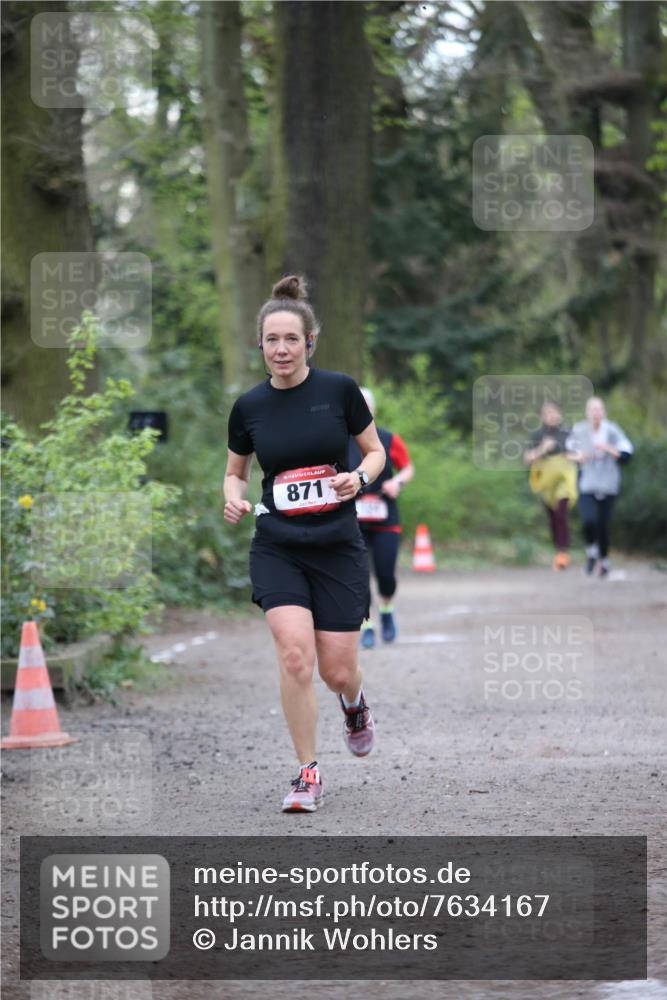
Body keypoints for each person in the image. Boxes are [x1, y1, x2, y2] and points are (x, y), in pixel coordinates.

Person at [223, 275, 386, 812]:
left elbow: (375, 452)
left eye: (291, 339)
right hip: (279, 546)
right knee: (295, 657)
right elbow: (236, 473)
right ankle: (307, 774)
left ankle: (354, 702)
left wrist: (358, 479)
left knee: (336, 670)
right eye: (272, 340)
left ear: (309, 342)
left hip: (336, 543)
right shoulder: (249, 407)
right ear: (261, 346)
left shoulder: (338, 390)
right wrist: (232, 497)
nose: (282, 349)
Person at [348, 388, 414, 646]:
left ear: (373, 410)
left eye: (365, 406)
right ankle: (366, 624)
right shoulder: (339, 440)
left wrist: (397, 481)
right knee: (359, 575)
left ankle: (386, 611)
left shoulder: (388, 439)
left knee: (386, 575)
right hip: (353, 520)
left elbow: (407, 467)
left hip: (386, 518)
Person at [566, 397, 634, 577]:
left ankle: (604, 561)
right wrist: (579, 456)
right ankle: (591, 553)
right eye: (592, 410)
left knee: (603, 525)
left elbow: (627, 455)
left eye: (599, 409)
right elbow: (568, 452)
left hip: (608, 484)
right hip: (587, 483)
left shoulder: (612, 431)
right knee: (589, 521)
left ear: (604, 412)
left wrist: (608, 448)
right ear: (587, 412)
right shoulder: (579, 430)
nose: (596, 413)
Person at [523, 402, 578, 570]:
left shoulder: (569, 432)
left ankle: (563, 553)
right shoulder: (538, 435)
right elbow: (527, 458)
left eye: (554, 412)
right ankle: (559, 551)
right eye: (547, 413)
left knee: (561, 512)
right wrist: (542, 449)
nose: (552, 415)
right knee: (553, 518)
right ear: (542, 417)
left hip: (564, 479)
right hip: (546, 482)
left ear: (560, 413)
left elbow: (582, 454)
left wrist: (573, 456)